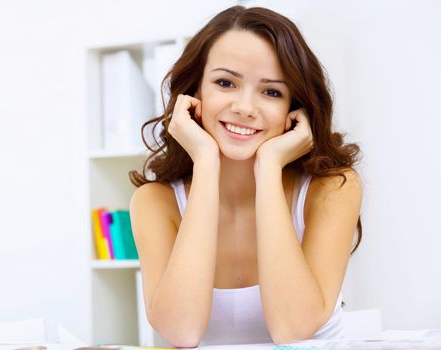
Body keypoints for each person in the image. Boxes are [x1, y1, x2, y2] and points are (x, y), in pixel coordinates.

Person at [129, 5, 363, 347]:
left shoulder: (332, 189)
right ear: (194, 94)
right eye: (225, 83)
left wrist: (268, 167)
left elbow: (292, 330)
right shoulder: (156, 203)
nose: (245, 107)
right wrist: (206, 163)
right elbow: (180, 332)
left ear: (293, 109)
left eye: (271, 92)